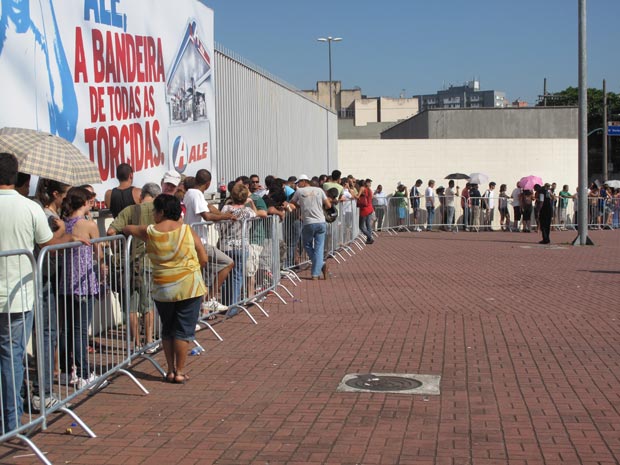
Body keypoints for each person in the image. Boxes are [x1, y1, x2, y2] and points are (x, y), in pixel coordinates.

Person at [0, 153, 80, 430]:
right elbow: (47, 243)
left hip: (17, 294)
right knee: (12, 358)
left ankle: (8, 418)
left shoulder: (31, 207)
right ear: (16, 176)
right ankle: (11, 422)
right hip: (17, 295)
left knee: (10, 358)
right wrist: (69, 236)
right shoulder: (30, 208)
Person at [123, 194, 207, 384]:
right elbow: (203, 257)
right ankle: (180, 371)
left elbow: (128, 228)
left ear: (161, 212)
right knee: (183, 330)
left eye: (154, 211)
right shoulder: (187, 230)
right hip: (189, 286)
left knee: (168, 329)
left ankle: (169, 369)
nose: (153, 214)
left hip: (163, 287)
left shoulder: (150, 231)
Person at [58, 186, 104, 389]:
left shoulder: (63, 223)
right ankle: (84, 373)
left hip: (66, 282)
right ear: (84, 202)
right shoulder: (88, 225)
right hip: (84, 283)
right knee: (79, 330)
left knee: (67, 330)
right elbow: (99, 253)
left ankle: (68, 371)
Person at [107, 183, 162, 352]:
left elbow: (110, 231)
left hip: (130, 263)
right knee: (148, 305)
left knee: (132, 306)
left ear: (142, 195)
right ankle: (149, 341)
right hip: (150, 262)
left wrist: (120, 247)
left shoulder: (129, 210)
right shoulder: (159, 212)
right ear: (156, 196)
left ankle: (136, 342)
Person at [183, 169, 234, 312]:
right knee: (228, 263)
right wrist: (226, 217)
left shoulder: (190, 193)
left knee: (200, 277)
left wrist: (223, 214)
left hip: (194, 241)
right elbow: (207, 216)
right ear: (208, 183)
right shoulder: (196, 194)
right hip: (199, 242)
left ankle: (200, 307)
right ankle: (209, 300)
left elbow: (209, 209)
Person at [219, 184, 257, 309]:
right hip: (242, 246)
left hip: (226, 246)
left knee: (225, 274)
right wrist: (250, 203)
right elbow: (255, 213)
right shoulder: (248, 211)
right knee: (237, 276)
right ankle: (234, 305)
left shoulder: (226, 209)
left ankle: (224, 303)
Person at [290, 175, 332, 280]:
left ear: (304, 181)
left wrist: (302, 207)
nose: (297, 185)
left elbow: (292, 203)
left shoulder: (299, 192)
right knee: (319, 247)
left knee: (307, 244)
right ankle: (316, 272)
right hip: (321, 221)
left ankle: (319, 267)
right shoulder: (319, 190)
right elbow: (328, 205)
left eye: (299, 182)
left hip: (308, 222)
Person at [358, 179, 375, 243]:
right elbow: (371, 197)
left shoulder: (363, 188)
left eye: (370, 182)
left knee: (361, 226)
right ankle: (369, 239)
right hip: (370, 208)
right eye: (369, 182)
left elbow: (357, 196)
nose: (370, 183)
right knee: (368, 225)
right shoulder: (369, 190)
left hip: (364, 209)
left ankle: (370, 237)